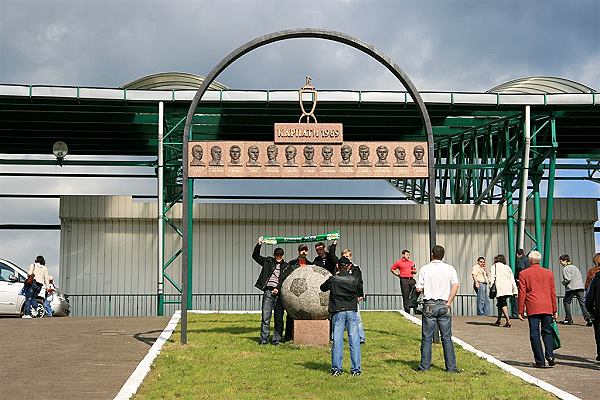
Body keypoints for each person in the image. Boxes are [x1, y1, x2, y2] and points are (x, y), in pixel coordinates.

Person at [415, 245, 459, 372]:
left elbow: (419, 288)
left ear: (432, 254)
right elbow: (456, 285)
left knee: (427, 337)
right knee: (447, 338)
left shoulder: (425, 269)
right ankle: (451, 367)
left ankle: (424, 366)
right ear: (443, 255)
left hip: (430, 304)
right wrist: (449, 301)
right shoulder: (449, 268)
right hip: (445, 304)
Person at [320, 256, 363, 376]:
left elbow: (322, 288)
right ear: (349, 266)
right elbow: (359, 291)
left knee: (337, 341)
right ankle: (356, 370)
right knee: (354, 340)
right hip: (351, 310)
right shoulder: (354, 279)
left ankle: (336, 369)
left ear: (338, 266)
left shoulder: (333, 279)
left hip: (338, 311)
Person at [518, 250, 557, 368]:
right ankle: (550, 355)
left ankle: (540, 361)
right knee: (548, 332)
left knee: (534, 333)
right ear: (539, 260)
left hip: (533, 306)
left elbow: (522, 292)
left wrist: (520, 310)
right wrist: (554, 309)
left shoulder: (524, 274)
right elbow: (552, 292)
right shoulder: (549, 273)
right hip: (547, 306)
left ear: (529, 260)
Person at [252, 238, 289, 345]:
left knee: (279, 318)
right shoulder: (268, 261)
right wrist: (259, 244)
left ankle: (276, 339)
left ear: (283, 255)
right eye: (277, 254)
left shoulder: (287, 266)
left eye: (280, 254)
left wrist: (278, 288)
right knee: (265, 317)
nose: (278, 256)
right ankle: (264, 339)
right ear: (274, 255)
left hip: (279, 294)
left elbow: (285, 279)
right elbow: (255, 256)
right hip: (268, 292)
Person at [282, 244, 313, 341]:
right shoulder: (292, 263)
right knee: (291, 315)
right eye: (301, 250)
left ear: (307, 252)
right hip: (293, 292)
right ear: (298, 251)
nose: (303, 252)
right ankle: (288, 337)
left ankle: (305, 337)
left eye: (305, 250)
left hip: (306, 293)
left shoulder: (311, 264)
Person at [559, 254, 591, 326]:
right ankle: (588, 318)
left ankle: (568, 319)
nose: (560, 262)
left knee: (566, 302)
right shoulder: (575, 267)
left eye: (561, 261)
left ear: (565, 260)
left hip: (572, 288)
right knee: (582, 303)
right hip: (580, 287)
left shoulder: (566, 268)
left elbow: (568, 279)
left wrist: (563, 283)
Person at [341, 248, 365, 344]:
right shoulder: (339, 267)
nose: (346, 258)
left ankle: (361, 337)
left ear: (350, 257)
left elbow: (359, 282)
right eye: (344, 256)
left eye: (347, 256)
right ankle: (337, 338)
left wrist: (360, 294)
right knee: (341, 318)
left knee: (357, 317)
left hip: (353, 295)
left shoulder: (356, 268)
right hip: (342, 295)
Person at [489, 255, 518, 327]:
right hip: (508, 288)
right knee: (500, 303)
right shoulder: (507, 267)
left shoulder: (494, 267)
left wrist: (491, 287)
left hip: (500, 288)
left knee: (502, 303)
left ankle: (508, 321)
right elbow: (512, 279)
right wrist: (515, 290)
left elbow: (492, 277)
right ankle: (499, 320)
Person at [584, 267, 600, 361]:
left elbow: (590, 296)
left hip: (598, 311)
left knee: (598, 333)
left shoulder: (596, 278)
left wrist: (590, 310)